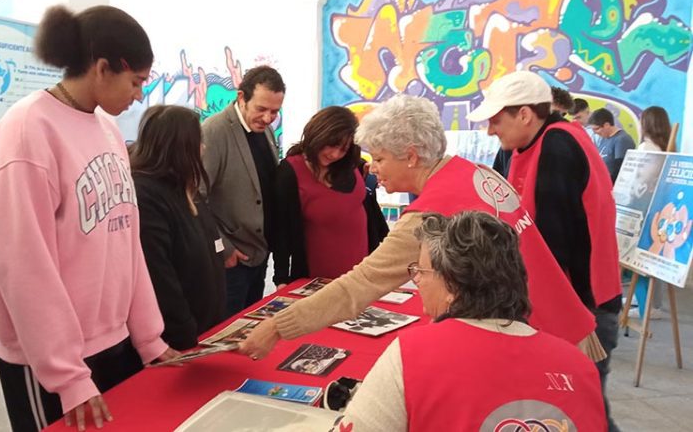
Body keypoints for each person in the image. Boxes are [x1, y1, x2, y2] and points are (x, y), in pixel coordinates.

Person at [240, 94, 600, 364]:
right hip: (566, 324)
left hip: (540, 345)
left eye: (379, 158)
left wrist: (277, 326)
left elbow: (359, 286)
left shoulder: (430, 213)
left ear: (410, 155)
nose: (373, 169)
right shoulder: (475, 172)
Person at [0, 5, 178, 432]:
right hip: (46, 358)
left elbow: (127, 242)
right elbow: (23, 266)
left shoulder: (107, 131)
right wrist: (67, 374)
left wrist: (148, 336)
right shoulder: (27, 130)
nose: (140, 94)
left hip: (113, 340)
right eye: (137, 81)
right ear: (102, 68)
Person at [332, 212, 607, 431]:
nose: (416, 280)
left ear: (452, 284)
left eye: (422, 271)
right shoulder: (579, 365)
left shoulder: (413, 353)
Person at [469, 70, 623, 431]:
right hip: (562, 303)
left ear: (525, 114)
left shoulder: (558, 146)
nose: (491, 130)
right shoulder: (522, 144)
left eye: (496, 120)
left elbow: (554, 245)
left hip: (582, 307)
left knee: (584, 414)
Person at [130, 105, 227, 350]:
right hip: (177, 340)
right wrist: (184, 333)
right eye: (197, 141)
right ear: (180, 146)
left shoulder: (183, 186)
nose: (203, 148)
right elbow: (160, 277)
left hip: (205, 329)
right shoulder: (146, 195)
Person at [272, 106, 387, 287]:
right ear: (318, 136)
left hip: (363, 272)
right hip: (319, 277)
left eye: (343, 149)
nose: (335, 155)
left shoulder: (351, 163)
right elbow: (281, 231)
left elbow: (364, 205)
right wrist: (281, 279)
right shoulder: (290, 172)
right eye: (331, 146)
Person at [201, 66, 284, 316]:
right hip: (231, 259)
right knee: (226, 332)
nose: (268, 118)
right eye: (261, 109)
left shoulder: (266, 130)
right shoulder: (213, 131)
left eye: (275, 111)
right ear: (241, 98)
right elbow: (194, 197)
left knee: (248, 329)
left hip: (258, 255)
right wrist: (223, 248)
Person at [630, 106, 673, 319]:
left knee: (638, 261)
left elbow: (637, 182)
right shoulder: (669, 148)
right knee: (652, 261)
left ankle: (645, 307)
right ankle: (648, 304)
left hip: (641, 211)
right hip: (660, 211)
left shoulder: (646, 149)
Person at [491, 85, 573, 178]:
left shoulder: (561, 144)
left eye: (563, 115)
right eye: (553, 113)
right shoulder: (514, 141)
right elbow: (498, 179)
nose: (558, 120)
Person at [588, 108, 636, 183]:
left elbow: (619, 170)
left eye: (597, 129)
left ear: (607, 125)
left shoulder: (621, 140)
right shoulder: (604, 139)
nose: (595, 133)